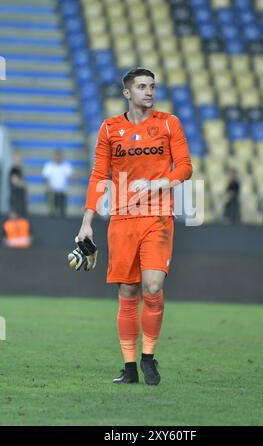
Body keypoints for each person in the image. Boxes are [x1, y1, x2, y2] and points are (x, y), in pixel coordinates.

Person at [74, 68, 193, 385]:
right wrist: (87, 222)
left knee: (153, 287)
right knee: (128, 291)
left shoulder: (169, 123)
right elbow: (99, 176)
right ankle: (129, 368)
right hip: (122, 219)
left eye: (152, 86)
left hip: (158, 217)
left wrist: (160, 185)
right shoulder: (110, 128)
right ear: (127, 93)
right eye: (142, 86)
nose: (149, 91)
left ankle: (148, 358)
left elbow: (185, 166)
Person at [42, 150, 73, 217]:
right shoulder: (49, 166)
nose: (58, 158)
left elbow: (72, 177)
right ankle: (51, 212)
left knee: (62, 209)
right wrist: (48, 184)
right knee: (51, 196)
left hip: (62, 191)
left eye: (59, 156)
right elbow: (45, 178)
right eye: (57, 156)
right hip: (52, 191)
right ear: (54, 157)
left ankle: (62, 214)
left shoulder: (66, 166)